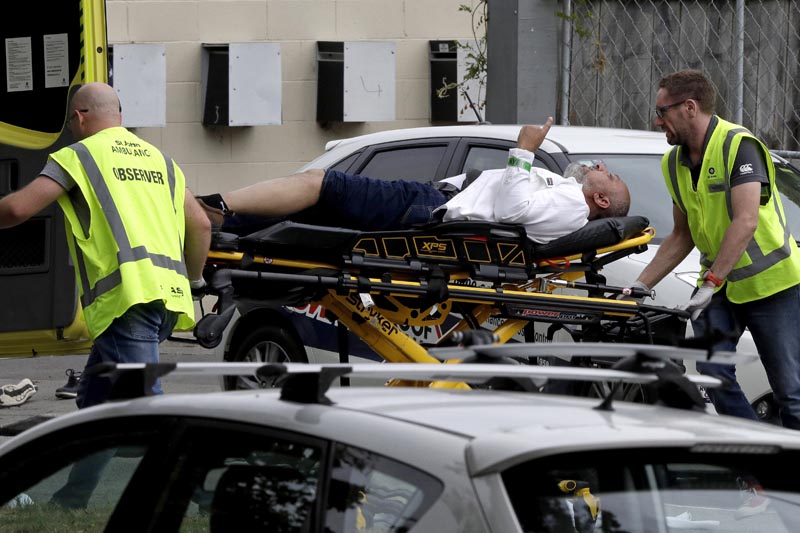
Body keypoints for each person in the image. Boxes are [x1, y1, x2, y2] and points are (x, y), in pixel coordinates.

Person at [0, 82, 212, 409]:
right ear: (119, 116)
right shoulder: (162, 160)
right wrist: (195, 281)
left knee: (146, 407)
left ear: (79, 117)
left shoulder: (79, 156)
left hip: (125, 302)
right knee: (93, 402)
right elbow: (201, 224)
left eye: (70, 123)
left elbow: (17, 209)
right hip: (168, 301)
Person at [624, 69, 800, 429]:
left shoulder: (739, 146)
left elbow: (746, 221)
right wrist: (641, 285)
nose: (657, 122)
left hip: (771, 285)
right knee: (712, 374)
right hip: (719, 286)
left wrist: (711, 282)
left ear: (689, 107)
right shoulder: (673, 162)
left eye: (662, 112)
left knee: (791, 392)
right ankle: (755, 449)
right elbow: (681, 234)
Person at [197, 117, 630, 244]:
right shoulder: (567, 195)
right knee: (310, 210)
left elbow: (513, 210)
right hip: (435, 201)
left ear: (601, 201)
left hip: (432, 207)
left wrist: (524, 149)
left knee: (320, 182)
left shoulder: (572, 206)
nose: (598, 166)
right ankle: (220, 224)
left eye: (606, 174)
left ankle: (214, 206)